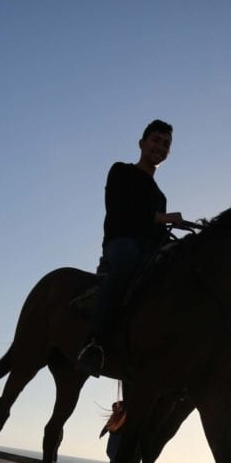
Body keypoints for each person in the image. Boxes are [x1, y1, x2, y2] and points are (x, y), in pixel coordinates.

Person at [78, 120, 189, 377]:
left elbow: (159, 233)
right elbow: (119, 210)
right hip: (120, 243)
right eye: (156, 140)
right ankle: (93, 343)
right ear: (142, 143)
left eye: (166, 144)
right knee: (128, 260)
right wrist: (162, 218)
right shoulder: (121, 171)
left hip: (149, 249)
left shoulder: (160, 195)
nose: (160, 147)